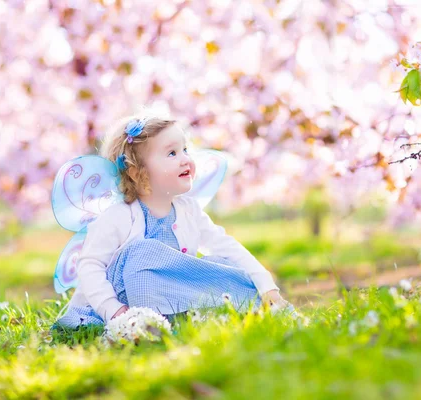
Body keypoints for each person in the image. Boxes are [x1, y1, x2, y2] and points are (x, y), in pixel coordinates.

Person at [53, 113, 293, 329]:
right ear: (137, 173)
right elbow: (90, 266)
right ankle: (144, 323)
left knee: (221, 261)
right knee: (142, 251)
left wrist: (266, 285)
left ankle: (258, 305)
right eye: (172, 153)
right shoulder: (118, 216)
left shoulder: (188, 210)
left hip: (168, 297)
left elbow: (226, 246)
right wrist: (114, 311)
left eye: (185, 150)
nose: (185, 159)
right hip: (123, 304)